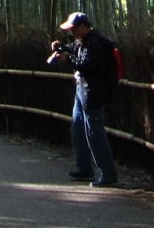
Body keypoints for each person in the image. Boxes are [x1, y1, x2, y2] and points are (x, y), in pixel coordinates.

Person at [46, 10, 119, 188]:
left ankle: (108, 174)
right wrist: (61, 47)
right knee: (77, 129)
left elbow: (86, 65)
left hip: (93, 93)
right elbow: (73, 49)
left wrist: (68, 59)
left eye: (73, 29)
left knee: (95, 134)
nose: (71, 32)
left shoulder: (94, 43)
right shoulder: (83, 41)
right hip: (82, 91)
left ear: (82, 27)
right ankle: (84, 168)